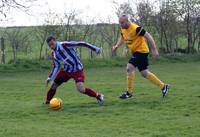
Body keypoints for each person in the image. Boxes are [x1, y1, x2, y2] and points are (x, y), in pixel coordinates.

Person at [112, 15, 169, 99]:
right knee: (144, 73)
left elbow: (148, 36)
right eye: (120, 23)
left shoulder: (136, 28)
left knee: (129, 67)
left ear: (127, 21)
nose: (121, 25)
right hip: (136, 52)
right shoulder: (123, 29)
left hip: (141, 51)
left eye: (122, 23)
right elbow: (122, 37)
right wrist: (117, 45)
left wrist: (154, 49)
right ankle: (163, 87)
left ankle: (129, 92)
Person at [45, 36, 104, 104]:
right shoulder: (54, 54)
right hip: (66, 70)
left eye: (52, 44)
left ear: (55, 41)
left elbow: (82, 43)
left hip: (77, 70)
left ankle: (99, 96)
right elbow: (56, 66)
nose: (52, 46)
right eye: (50, 45)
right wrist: (50, 78)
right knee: (54, 85)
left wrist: (96, 49)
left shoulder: (64, 45)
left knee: (81, 89)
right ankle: (48, 102)